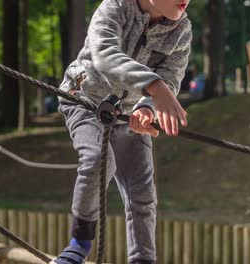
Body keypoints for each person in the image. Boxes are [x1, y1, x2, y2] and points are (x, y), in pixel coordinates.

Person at [51, 0, 192, 263]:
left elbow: (171, 75)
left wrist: (147, 108)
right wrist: (155, 86)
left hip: (128, 113)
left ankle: (143, 258)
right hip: (85, 100)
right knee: (98, 161)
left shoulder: (181, 29)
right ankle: (79, 244)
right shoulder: (115, 7)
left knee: (143, 193)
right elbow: (105, 54)